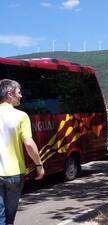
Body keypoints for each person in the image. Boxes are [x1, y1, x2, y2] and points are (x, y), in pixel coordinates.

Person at [0, 79, 45, 225]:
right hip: (14, 174)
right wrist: (39, 165)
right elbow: (29, 144)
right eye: (19, 93)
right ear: (9, 94)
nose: (21, 96)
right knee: (9, 217)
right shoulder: (21, 116)